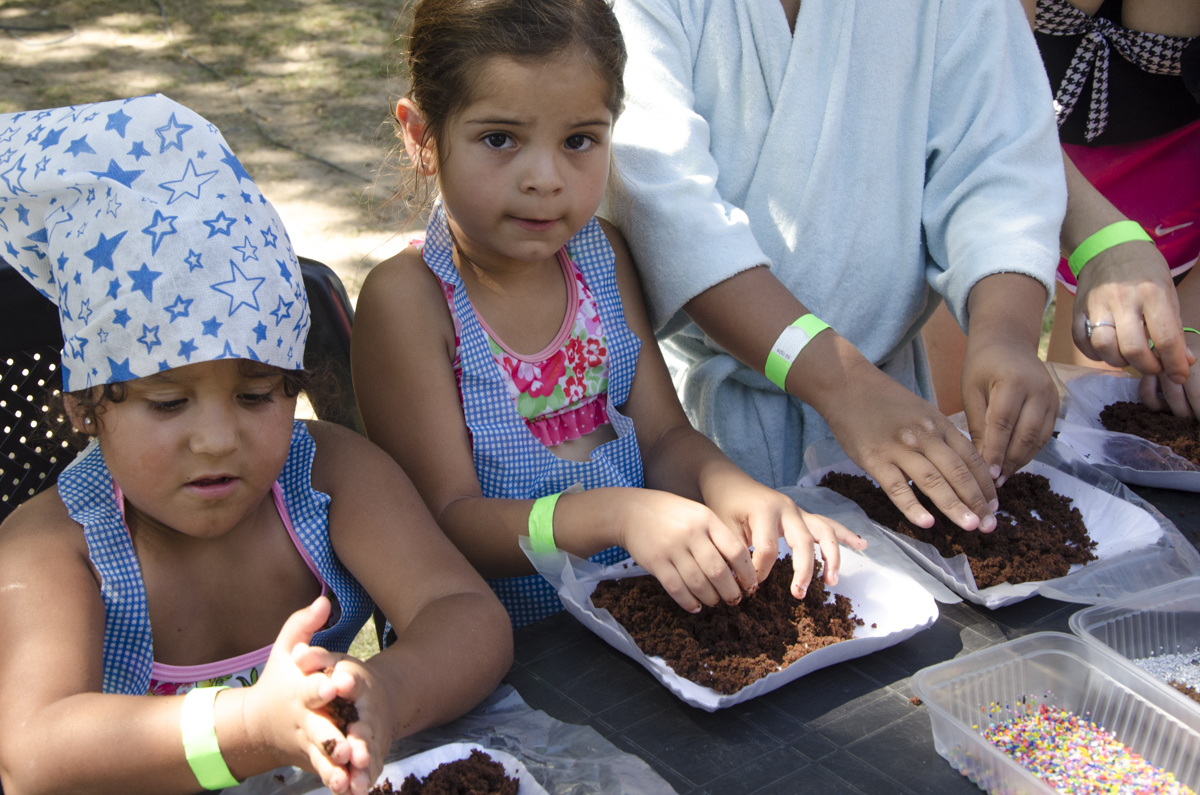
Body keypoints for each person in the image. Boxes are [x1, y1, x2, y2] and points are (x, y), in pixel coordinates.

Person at [0, 95, 512, 795]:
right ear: (87, 404)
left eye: (256, 393)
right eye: (169, 400)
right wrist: (244, 728)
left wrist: (386, 692)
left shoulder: (330, 477)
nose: (216, 439)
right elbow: (33, 754)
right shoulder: (55, 547)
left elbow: (469, 616)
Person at [351, 0, 865, 629]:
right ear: (422, 136)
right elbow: (448, 520)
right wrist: (616, 515)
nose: (545, 177)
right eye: (499, 139)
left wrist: (735, 487)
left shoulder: (603, 258)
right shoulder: (410, 301)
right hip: (518, 660)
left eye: (578, 141)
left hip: (635, 629)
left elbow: (664, 437)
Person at [607, 0, 1067, 533]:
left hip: (889, 407)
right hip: (702, 442)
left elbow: (998, 163)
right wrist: (841, 383)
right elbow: (665, 201)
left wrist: (1005, 331)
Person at [926, 0, 1200, 419]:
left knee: (1107, 408)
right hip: (988, 160)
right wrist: (1104, 241)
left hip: (1166, 178)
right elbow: (975, 97)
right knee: (953, 405)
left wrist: (1192, 323)